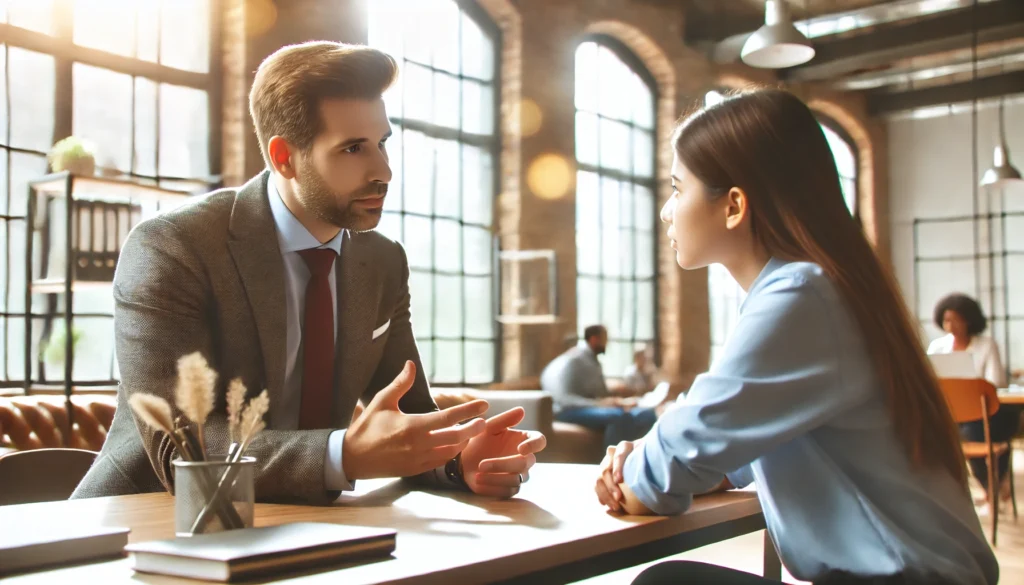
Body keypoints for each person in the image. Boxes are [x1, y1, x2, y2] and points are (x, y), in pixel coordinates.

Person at [73, 42, 545, 504]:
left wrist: (461, 461)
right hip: (145, 528)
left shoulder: (382, 261)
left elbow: (407, 421)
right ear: (284, 158)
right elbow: (182, 448)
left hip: (308, 529)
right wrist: (344, 456)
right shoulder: (174, 247)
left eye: (382, 143)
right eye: (353, 148)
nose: (384, 171)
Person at [594, 89, 997, 585]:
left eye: (679, 189)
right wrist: (647, 455)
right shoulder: (818, 288)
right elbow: (724, 449)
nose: (666, 211)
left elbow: (666, 474)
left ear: (735, 206)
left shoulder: (801, 296)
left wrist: (635, 473)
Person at [928, 293, 1020, 506]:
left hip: (989, 412)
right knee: (963, 433)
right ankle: (992, 487)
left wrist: (967, 389)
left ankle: (992, 487)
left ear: (969, 320)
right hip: (955, 415)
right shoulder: (937, 348)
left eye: (956, 319)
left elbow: (995, 382)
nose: (951, 325)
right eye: (947, 320)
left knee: (976, 432)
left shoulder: (986, 345)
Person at [541, 325, 657, 448]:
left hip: (577, 405)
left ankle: (638, 458)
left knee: (646, 415)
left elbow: (597, 393)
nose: (607, 344)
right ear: (594, 339)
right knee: (618, 416)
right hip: (567, 410)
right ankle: (611, 461)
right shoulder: (583, 360)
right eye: (605, 339)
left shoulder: (580, 356)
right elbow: (598, 395)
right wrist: (610, 402)